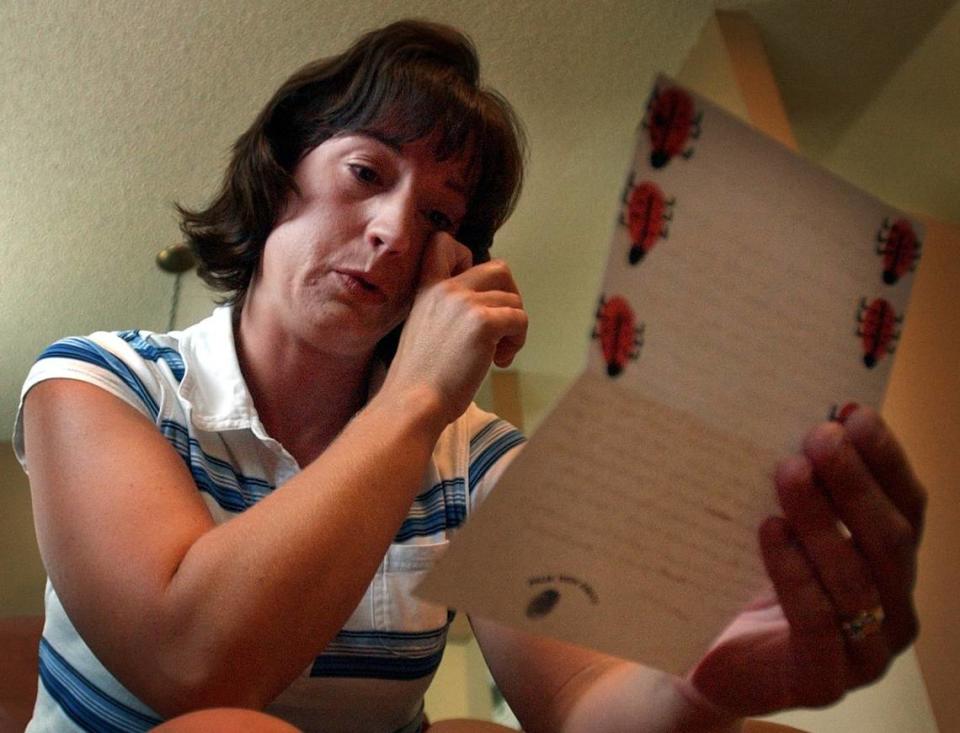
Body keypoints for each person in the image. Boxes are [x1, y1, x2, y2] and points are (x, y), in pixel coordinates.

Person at [13, 19, 924, 733]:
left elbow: (578, 702)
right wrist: (413, 394)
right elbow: (196, 660)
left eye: (440, 215)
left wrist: (698, 683)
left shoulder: (474, 458)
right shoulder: (101, 380)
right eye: (365, 170)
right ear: (278, 172)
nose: (395, 233)